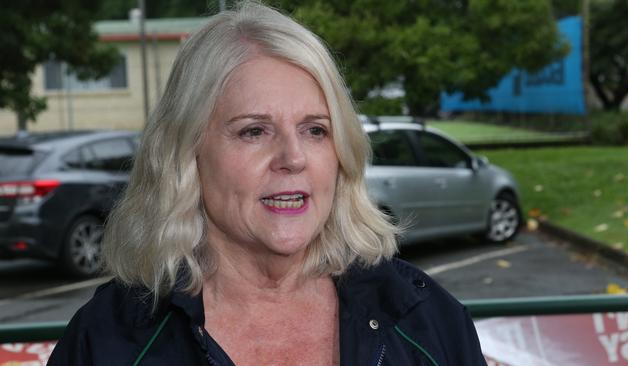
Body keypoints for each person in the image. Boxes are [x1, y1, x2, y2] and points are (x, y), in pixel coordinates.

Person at [47, 2, 486, 365]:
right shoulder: (106, 342)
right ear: (186, 154)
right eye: (253, 131)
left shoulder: (426, 319)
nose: (293, 158)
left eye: (316, 130)